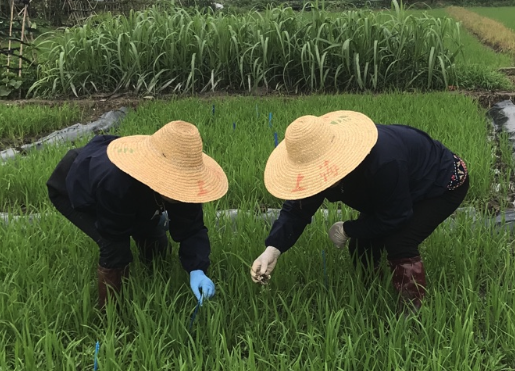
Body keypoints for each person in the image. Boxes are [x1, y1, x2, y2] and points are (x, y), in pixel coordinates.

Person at [249, 110, 469, 311]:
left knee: (399, 241)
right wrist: (273, 248)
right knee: (361, 245)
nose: (316, 180)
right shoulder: (321, 167)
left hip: (440, 185)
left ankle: (413, 310)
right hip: (395, 187)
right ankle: (373, 293)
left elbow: (396, 216)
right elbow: (298, 209)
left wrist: (348, 228)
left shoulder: (382, 161)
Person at [46, 121, 228, 309]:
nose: (181, 189)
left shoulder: (183, 185)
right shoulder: (116, 182)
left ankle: (154, 280)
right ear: (158, 173)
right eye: (177, 181)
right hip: (75, 189)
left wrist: (197, 269)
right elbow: (114, 234)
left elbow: (191, 227)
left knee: (157, 247)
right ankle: (110, 317)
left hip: (132, 191)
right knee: (114, 248)